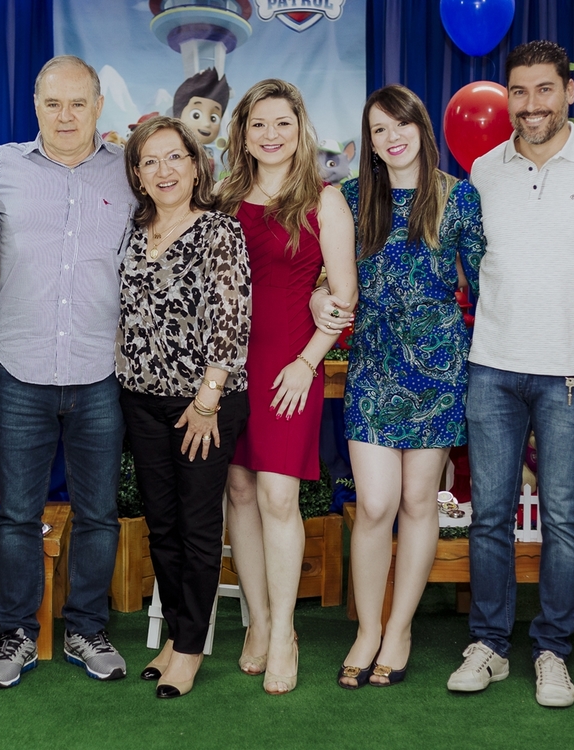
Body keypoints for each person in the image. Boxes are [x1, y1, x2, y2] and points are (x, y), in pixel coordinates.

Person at [446, 41, 574, 707]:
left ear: (568, 95)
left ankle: (552, 649)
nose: (530, 106)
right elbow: (463, 262)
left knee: (562, 516)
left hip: (573, 374)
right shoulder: (484, 171)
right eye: (519, 92)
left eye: (544, 91)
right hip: (492, 367)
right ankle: (489, 644)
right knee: (489, 514)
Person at [311, 85, 485, 688]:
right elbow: (319, 280)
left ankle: (400, 628)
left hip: (437, 369)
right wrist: (319, 303)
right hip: (374, 368)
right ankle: (366, 628)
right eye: (379, 129)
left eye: (400, 124)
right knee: (377, 504)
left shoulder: (457, 198)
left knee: (417, 503)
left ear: (421, 127)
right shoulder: (350, 199)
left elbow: (487, 287)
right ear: (370, 141)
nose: (392, 137)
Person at [0, 55, 135, 688]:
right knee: (17, 511)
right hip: (21, 363)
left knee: (98, 512)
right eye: (52, 103)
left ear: (98, 106)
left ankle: (85, 629)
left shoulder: (130, 171)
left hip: (102, 367)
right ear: (35, 105)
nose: (65, 116)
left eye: (77, 103)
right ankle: (15, 631)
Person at [218, 78, 357, 695]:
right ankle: (258, 621)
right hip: (227, 364)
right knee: (240, 490)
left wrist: (308, 363)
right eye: (258, 125)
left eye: (283, 123)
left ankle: (284, 635)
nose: (271, 136)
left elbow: (344, 297)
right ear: (241, 134)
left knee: (278, 495)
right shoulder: (221, 198)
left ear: (300, 129)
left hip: (287, 365)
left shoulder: (325, 201)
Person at [117, 116, 251, 699]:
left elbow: (232, 318)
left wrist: (207, 400)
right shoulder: (134, 228)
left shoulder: (219, 231)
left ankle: (191, 649)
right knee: (163, 525)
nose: (164, 170)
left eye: (175, 158)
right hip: (140, 400)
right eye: (150, 161)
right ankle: (177, 633)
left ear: (196, 166)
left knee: (198, 528)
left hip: (204, 402)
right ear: (138, 176)